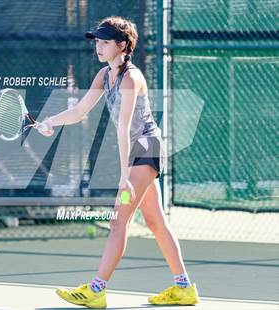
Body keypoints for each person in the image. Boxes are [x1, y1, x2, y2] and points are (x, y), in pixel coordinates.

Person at [38, 16, 200, 308]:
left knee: (117, 221)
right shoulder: (104, 75)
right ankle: (184, 287)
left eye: (105, 42)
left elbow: (124, 127)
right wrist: (50, 121)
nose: (98, 47)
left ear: (122, 45)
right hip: (138, 153)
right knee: (155, 221)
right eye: (97, 41)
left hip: (146, 148)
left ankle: (97, 289)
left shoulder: (131, 78)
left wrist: (124, 173)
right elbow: (79, 111)